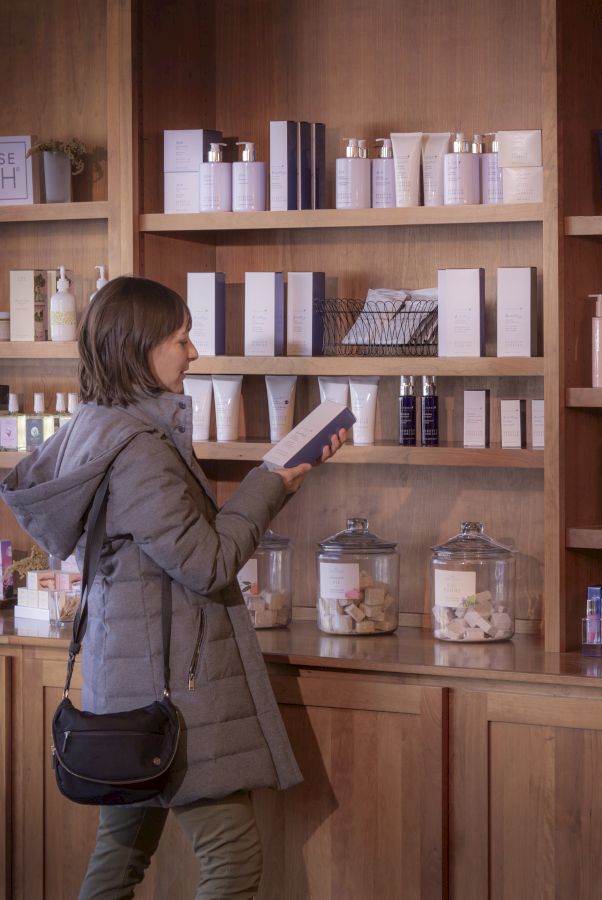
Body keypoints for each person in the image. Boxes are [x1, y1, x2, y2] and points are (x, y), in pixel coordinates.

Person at [1, 275, 345, 899]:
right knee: (232, 860)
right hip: (173, 694)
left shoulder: (95, 426)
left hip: (126, 684)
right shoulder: (140, 450)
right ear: (140, 348)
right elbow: (207, 562)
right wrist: (272, 483)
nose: (192, 353)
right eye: (182, 339)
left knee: (119, 856)